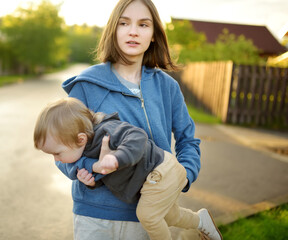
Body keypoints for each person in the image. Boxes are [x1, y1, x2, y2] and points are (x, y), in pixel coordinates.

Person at [55, 0, 203, 239]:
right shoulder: (85, 86)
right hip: (95, 217)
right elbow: (60, 147)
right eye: (124, 23)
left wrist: (183, 175)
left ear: (154, 35)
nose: (133, 31)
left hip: (149, 217)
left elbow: (188, 140)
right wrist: (83, 168)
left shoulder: (168, 87)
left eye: (143, 25)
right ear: (114, 30)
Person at [34, 97, 223, 240]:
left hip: (162, 170)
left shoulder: (108, 130)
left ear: (80, 139)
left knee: (147, 216)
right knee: (170, 216)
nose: (56, 159)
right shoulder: (85, 149)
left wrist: (117, 158)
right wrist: (91, 181)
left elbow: (137, 138)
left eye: (57, 153)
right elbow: (109, 178)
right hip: (154, 180)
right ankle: (200, 220)